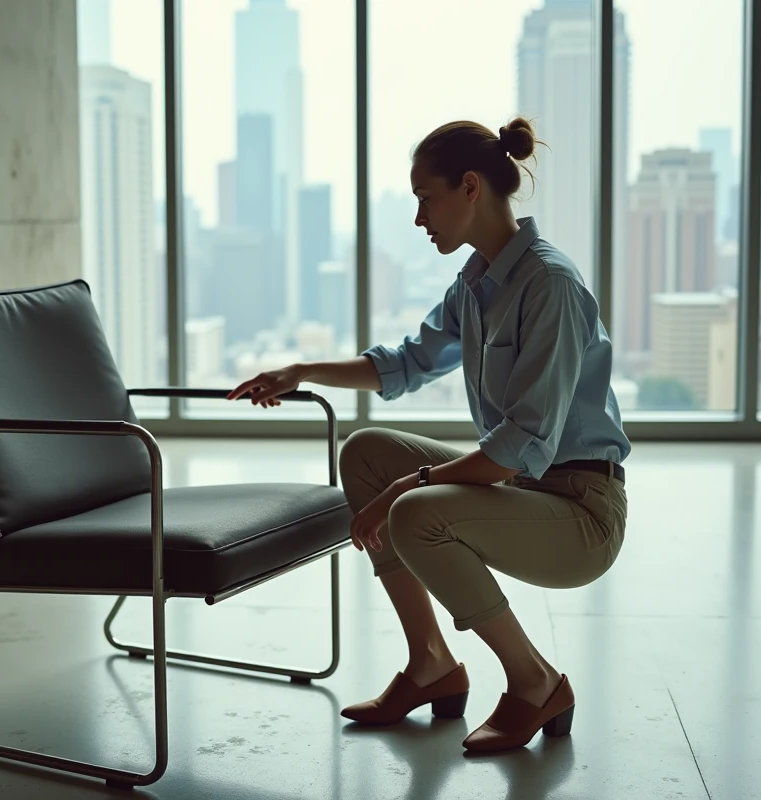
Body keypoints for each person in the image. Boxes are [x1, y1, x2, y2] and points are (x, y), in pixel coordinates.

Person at [227, 117, 630, 753]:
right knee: (364, 454)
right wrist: (301, 371)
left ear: (470, 187)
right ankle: (432, 666)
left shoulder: (549, 284)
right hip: (525, 490)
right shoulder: (475, 283)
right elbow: (407, 363)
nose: (419, 218)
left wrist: (407, 489)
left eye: (424, 198)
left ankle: (536, 683)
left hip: (580, 512)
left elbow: (518, 444)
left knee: (412, 509)